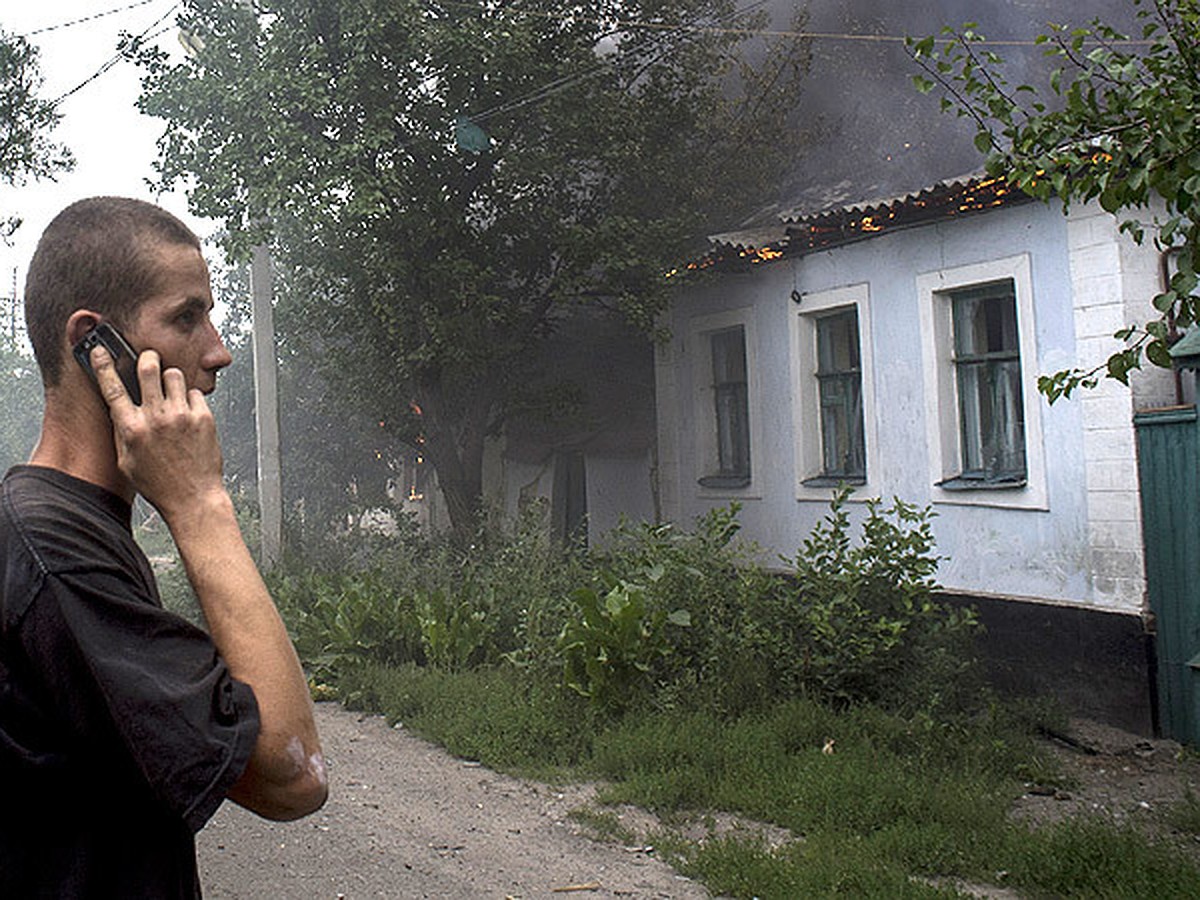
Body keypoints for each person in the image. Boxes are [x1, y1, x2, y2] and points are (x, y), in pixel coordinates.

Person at [0, 197, 327, 897]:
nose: (218, 350)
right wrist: (200, 504)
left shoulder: (64, 523)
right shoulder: (55, 551)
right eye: (187, 318)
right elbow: (291, 776)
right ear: (97, 346)